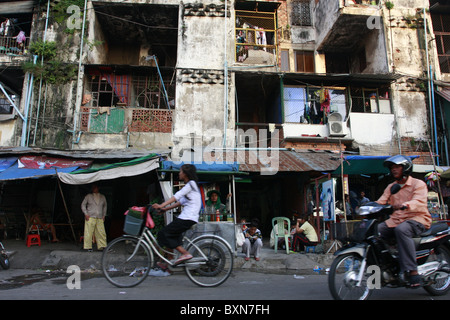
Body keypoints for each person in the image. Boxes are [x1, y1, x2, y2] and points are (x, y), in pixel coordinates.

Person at [376, 155, 431, 287]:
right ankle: (387, 265)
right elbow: (381, 201)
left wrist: (406, 205)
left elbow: (419, 201)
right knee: (375, 231)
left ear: (405, 168)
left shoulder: (418, 184)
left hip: (417, 219)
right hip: (396, 220)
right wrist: (368, 207)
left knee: (402, 229)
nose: (394, 170)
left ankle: (413, 271)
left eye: (397, 167)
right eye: (392, 168)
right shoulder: (391, 187)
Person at [152, 164, 201, 265]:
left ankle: (185, 253)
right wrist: (165, 209)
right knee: (171, 236)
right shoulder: (192, 185)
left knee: (163, 234)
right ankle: (169, 262)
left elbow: (176, 197)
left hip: (187, 217)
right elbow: (181, 202)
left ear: (186, 174)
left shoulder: (190, 184)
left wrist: (161, 205)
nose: (179, 173)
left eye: (180, 171)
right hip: (189, 217)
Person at [81, 183, 107, 252]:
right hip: (90, 216)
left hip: (99, 217)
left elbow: (105, 206)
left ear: (98, 188)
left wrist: (104, 215)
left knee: (101, 232)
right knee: (88, 232)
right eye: (93, 188)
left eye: (95, 187)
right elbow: (83, 205)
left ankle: (102, 246)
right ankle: (88, 246)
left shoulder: (102, 196)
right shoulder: (88, 196)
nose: (94, 189)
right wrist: (86, 213)